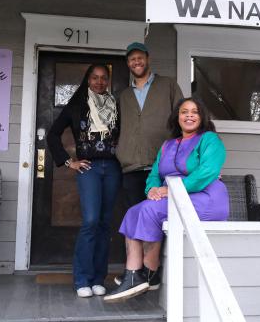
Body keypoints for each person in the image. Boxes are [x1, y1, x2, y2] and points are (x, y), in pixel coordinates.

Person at [104, 97, 229, 303]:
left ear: (202, 117)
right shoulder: (168, 145)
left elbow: (206, 173)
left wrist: (168, 191)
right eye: (184, 111)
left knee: (148, 211)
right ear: (177, 117)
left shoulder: (210, 140)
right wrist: (152, 189)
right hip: (174, 195)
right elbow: (155, 173)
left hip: (206, 198)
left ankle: (142, 274)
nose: (189, 115)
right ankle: (140, 274)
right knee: (134, 211)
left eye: (194, 112)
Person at [47, 64, 121, 299]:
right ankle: (82, 279)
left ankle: (99, 278)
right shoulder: (76, 106)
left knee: (104, 223)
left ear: (108, 81)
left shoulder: (117, 106)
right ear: (88, 80)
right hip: (88, 168)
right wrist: (70, 162)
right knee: (90, 221)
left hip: (112, 168)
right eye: (95, 78)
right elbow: (52, 134)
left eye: (103, 78)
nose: (99, 82)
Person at [116, 42, 183, 209]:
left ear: (148, 59)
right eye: (132, 59)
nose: (136, 62)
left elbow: (183, 119)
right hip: (132, 168)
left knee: (162, 220)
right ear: (128, 63)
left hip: (162, 165)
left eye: (140, 58)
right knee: (134, 217)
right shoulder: (124, 96)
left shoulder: (168, 85)